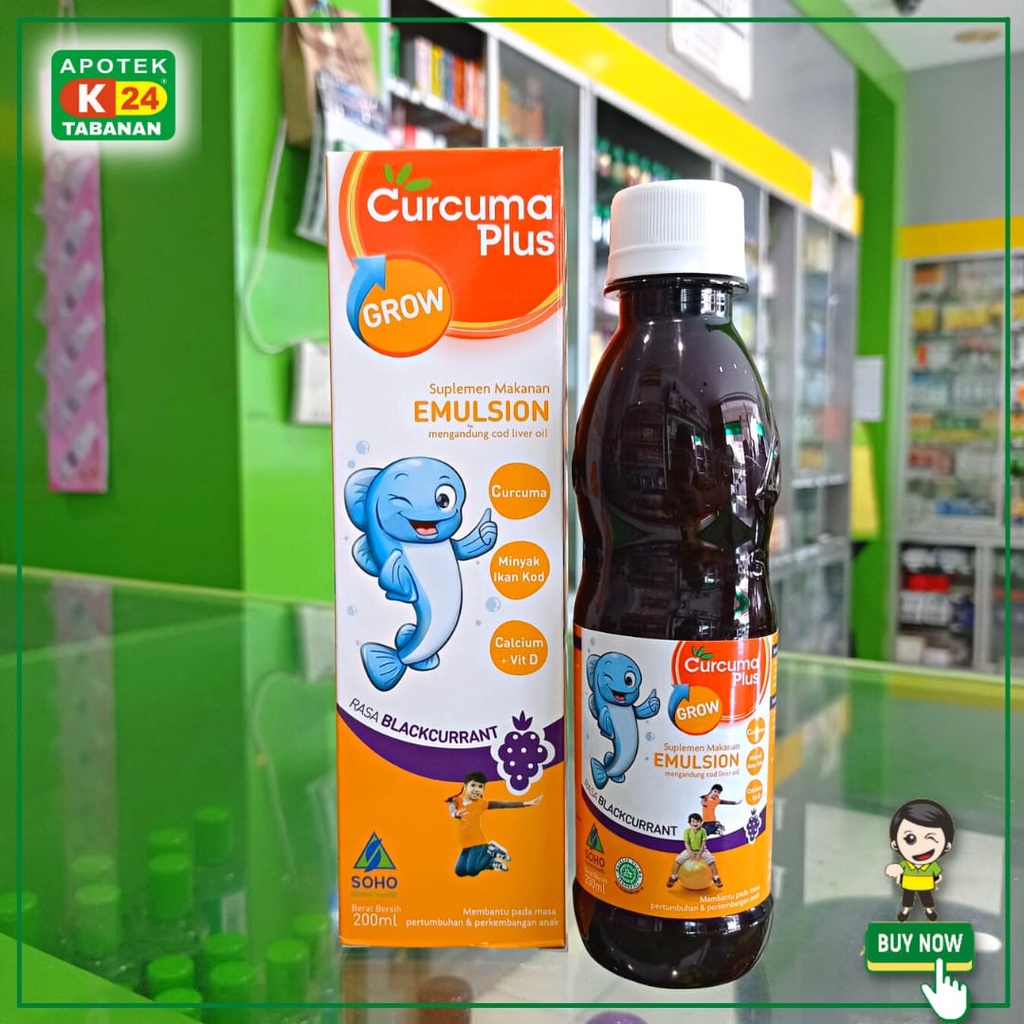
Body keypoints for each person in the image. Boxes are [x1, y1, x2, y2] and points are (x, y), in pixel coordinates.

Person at [445, 771, 542, 878]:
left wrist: (526, 803)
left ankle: (491, 851)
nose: (476, 789)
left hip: (478, 843)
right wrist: (454, 814)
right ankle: (491, 864)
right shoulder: (457, 800)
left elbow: (504, 804)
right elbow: (452, 807)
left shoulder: (481, 804)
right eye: (473, 785)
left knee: (472, 870)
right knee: (459, 871)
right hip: (466, 845)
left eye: (480, 787)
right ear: (465, 786)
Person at [884, 798, 955, 922]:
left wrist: (935, 881)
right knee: (907, 898)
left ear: (946, 846)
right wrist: (894, 871)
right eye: (910, 839)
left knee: (926, 898)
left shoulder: (932, 865)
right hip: (909, 884)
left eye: (931, 838)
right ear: (895, 844)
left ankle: (929, 910)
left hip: (925, 884)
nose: (921, 847)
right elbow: (897, 869)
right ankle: (905, 911)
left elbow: (938, 875)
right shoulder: (905, 864)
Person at [668, 813, 722, 889]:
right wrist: (690, 852)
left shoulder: (703, 831)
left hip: (702, 850)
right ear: (690, 823)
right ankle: (674, 876)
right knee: (678, 860)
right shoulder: (687, 831)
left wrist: (700, 853)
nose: (695, 823)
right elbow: (686, 843)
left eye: (697, 821)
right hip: (689, 850)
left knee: (711, 860)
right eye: (693, 821)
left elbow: (703, 843)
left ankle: (715, 877)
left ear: (700, 823)